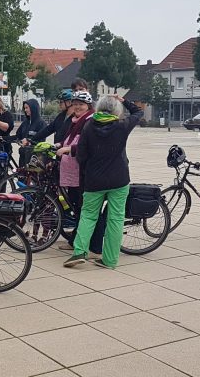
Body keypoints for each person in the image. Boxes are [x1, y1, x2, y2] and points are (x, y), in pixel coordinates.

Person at [64, 95, 143, 268]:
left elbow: (82, 155)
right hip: (119, 179)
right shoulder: (122, 126)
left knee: (88, 216)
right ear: (116, 110)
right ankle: (109, 259)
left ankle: (79, 252)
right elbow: (138, 112)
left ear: (98, 108)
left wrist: (87, 171)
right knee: (115, 219)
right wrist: (124, 101)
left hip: (94, 179)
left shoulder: (89, 126)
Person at [55, 91, 96, 251]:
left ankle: (81, 242)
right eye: (75, 104)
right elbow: (69, 139)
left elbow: (87, 146)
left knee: (82, 207)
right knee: (77, 207)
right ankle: (75, 240)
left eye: (81, 104)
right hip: (72, 171)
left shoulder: (89, 122)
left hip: (82, 172)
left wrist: (68, 149)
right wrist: (59, 145)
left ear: (88, 106)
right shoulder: (75, 121)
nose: (77, 107)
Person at [15, 99, 46, 164]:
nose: (25, 110)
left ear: (33, 108)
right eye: (24, 108)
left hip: (34, 158)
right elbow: (17, 136)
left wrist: (29, 142)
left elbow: (41, 141)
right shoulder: (25, 122)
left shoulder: (41, 123)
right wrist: (4, 138)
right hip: (23, 156)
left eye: (27, 108)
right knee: (21, 173)